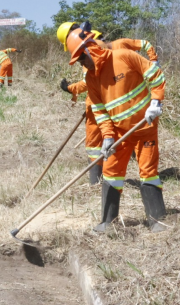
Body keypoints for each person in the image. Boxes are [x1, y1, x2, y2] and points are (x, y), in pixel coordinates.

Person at [65, 28, 167, 232]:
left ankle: (157, 221)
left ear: (91, 50)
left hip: (144, 127)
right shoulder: (91, 79)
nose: (81, 64)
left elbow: (156, 75)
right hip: (120, 132)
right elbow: (100, 111)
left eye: (81, 59)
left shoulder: (124, 56)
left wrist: (155, 102)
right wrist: (108, 138)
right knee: (111, 173)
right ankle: (107, 222)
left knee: (148, 172)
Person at [56, 22, 159, 184]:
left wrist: (71, 89)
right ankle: (102, 179)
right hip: (110, 105)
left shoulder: (94, 52)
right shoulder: (113, 47)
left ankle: (95, 181)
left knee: (95, 143)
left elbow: (87, 83)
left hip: (109, 105)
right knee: (113, 139)